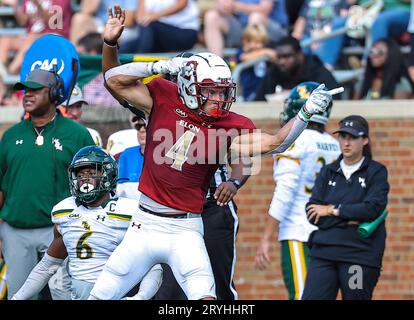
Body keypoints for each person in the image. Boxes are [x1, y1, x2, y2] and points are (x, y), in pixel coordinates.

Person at [88, 5, 333, 300]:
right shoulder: (163, 98)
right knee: (100, 295)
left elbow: (275, 143)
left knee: (207, 296)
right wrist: (130, 53)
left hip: (187, 228)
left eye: (222, 91)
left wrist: (305, 114)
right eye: (211, 91)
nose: (219, 98)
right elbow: (113, 79)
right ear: (190, 87)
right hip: (145, 223)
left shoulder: (229, 125)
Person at [11, 146, 162, 300]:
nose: (84, 178)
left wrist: (140, 297)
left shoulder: (128, 211)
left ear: (107, 174)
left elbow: (153, 266)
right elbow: (47, 266)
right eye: (80, 174)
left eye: (91, 173)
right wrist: (17, 298)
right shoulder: (64, 211)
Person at [0, 68, 95, 299]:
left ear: (54, 94)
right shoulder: (10, 136)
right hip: (15, 231)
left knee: (62, 293)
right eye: (25, 91)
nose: (28, 95)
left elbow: (93, 186)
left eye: (35, 90)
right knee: (19, 295)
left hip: (60, 231)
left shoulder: (78, 134)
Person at [254, 82, 340, 300]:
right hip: (328, 234)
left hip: (298, 231)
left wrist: (265, 237)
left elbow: (285, 191)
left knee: (303, 296)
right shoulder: (335, 144)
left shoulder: (296, 142)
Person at [302, 115, 389, 300]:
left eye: (352, 137)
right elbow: (312, 212)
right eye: (342, 137)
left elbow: (372, 208)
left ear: (365, 140)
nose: (346, 143)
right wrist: (350, 217)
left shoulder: (376, 172)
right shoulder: (328, 171)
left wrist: (332, 210)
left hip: (359, 256)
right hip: (324, 252)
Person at [254, 36, 339, 101]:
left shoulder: (318, 72)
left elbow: (334, 98)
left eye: (287, 56)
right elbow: (258, 101)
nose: (282, 61)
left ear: (300, 55)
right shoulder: (273, 73)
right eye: (279, 57)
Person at [203, 0, 288, 57]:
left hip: (272, 30)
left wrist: (235, 6)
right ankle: (216, 66)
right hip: (243, 28)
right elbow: (223, 7)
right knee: (211, 16)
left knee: (255, 17)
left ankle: (252, 62)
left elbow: (265, 9)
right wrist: (223, 7)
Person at [132, 0, 200, 53]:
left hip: (184, 31)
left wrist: (155, 16)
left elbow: (182, 3)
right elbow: (139, 16)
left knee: (148, 25)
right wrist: (145, 18)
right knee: (128, 46)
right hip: (157, 34)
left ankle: (141, 61)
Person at [236, 23, 277, 101]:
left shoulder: (265, 53)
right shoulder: (241, 53)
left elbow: (274, 56)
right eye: (255, 42)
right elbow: (244, 58)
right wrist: (265, 52)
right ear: (245, 41)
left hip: (263, 90)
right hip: (248, 92)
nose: (258, 46)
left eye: (261, 42)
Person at [116, 117, 147, 199]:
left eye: (146, 126)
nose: (141, 130)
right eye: (138, 126)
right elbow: (119, 190)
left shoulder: (163, 158)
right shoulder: (126, 154)